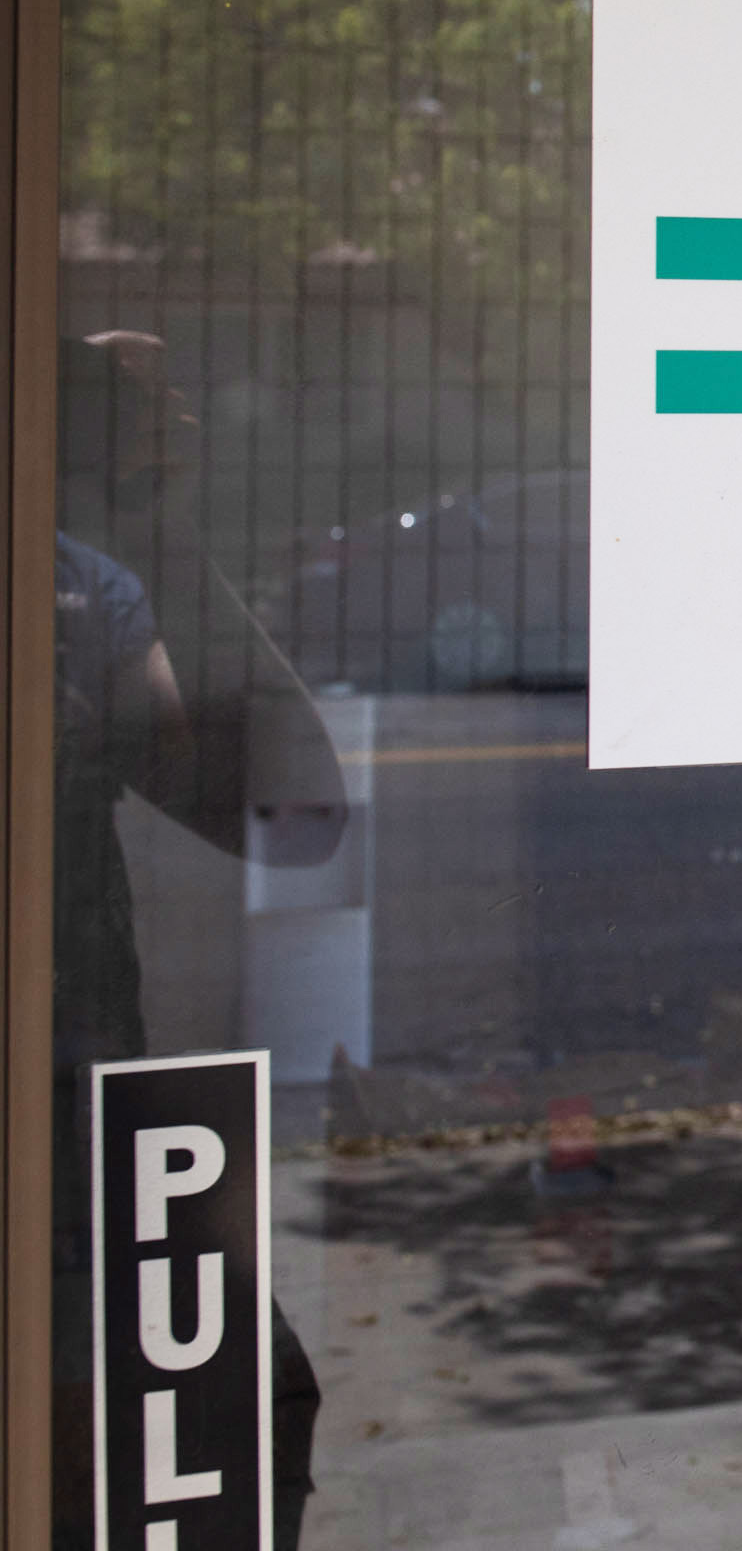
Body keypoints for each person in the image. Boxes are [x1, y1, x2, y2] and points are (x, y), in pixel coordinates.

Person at [55, 331, 345, 1551]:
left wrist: (144, 525)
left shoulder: (77, 595)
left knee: (236, 1421)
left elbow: (287, 808)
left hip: (69, 1135)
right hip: (62, 1148)